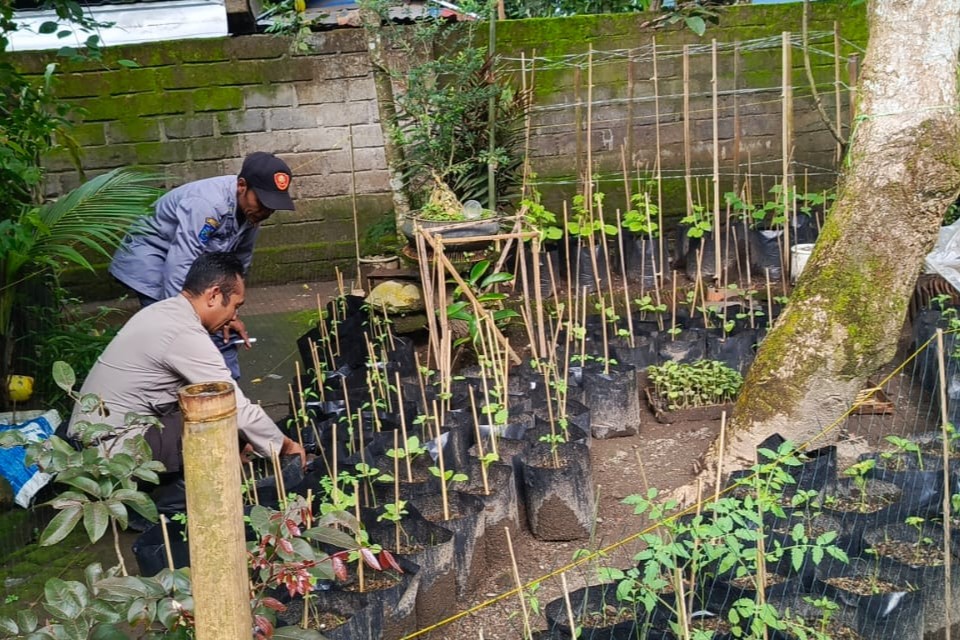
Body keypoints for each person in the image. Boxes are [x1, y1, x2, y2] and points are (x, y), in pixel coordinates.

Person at [70, 252, 306, 476]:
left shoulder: (162, 311)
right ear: (213, 295)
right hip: (110, 450)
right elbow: (234, 406)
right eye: (235, 306)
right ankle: (178, 506)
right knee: (219, 421)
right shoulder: (183, 333)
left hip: (92, 438)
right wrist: (286, 447)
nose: (234, 316)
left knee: (217, 418)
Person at [109, 151, 295, 378]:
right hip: (152, 259)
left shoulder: (251, 213)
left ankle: (226, 394)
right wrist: (186, 322)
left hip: (187, 263)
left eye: (273, 206)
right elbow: (180, 265)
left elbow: (238, 264)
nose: (267, 212)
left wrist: (230, 313)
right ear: (242, 186)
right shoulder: (206, 204)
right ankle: (171, 391)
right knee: (172, 333)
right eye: (263, 202)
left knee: (217, 326)